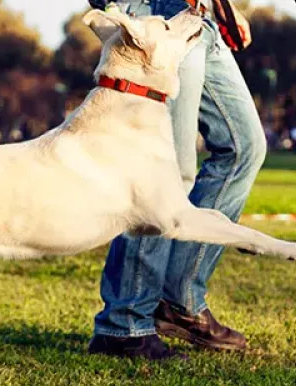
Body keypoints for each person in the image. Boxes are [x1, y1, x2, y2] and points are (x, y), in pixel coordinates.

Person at [86, 0, 265, 360]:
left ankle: (179, 301)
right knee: (167, 176)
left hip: (199, 20)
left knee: (243, 148)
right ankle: (125, 323)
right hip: (156, 19)